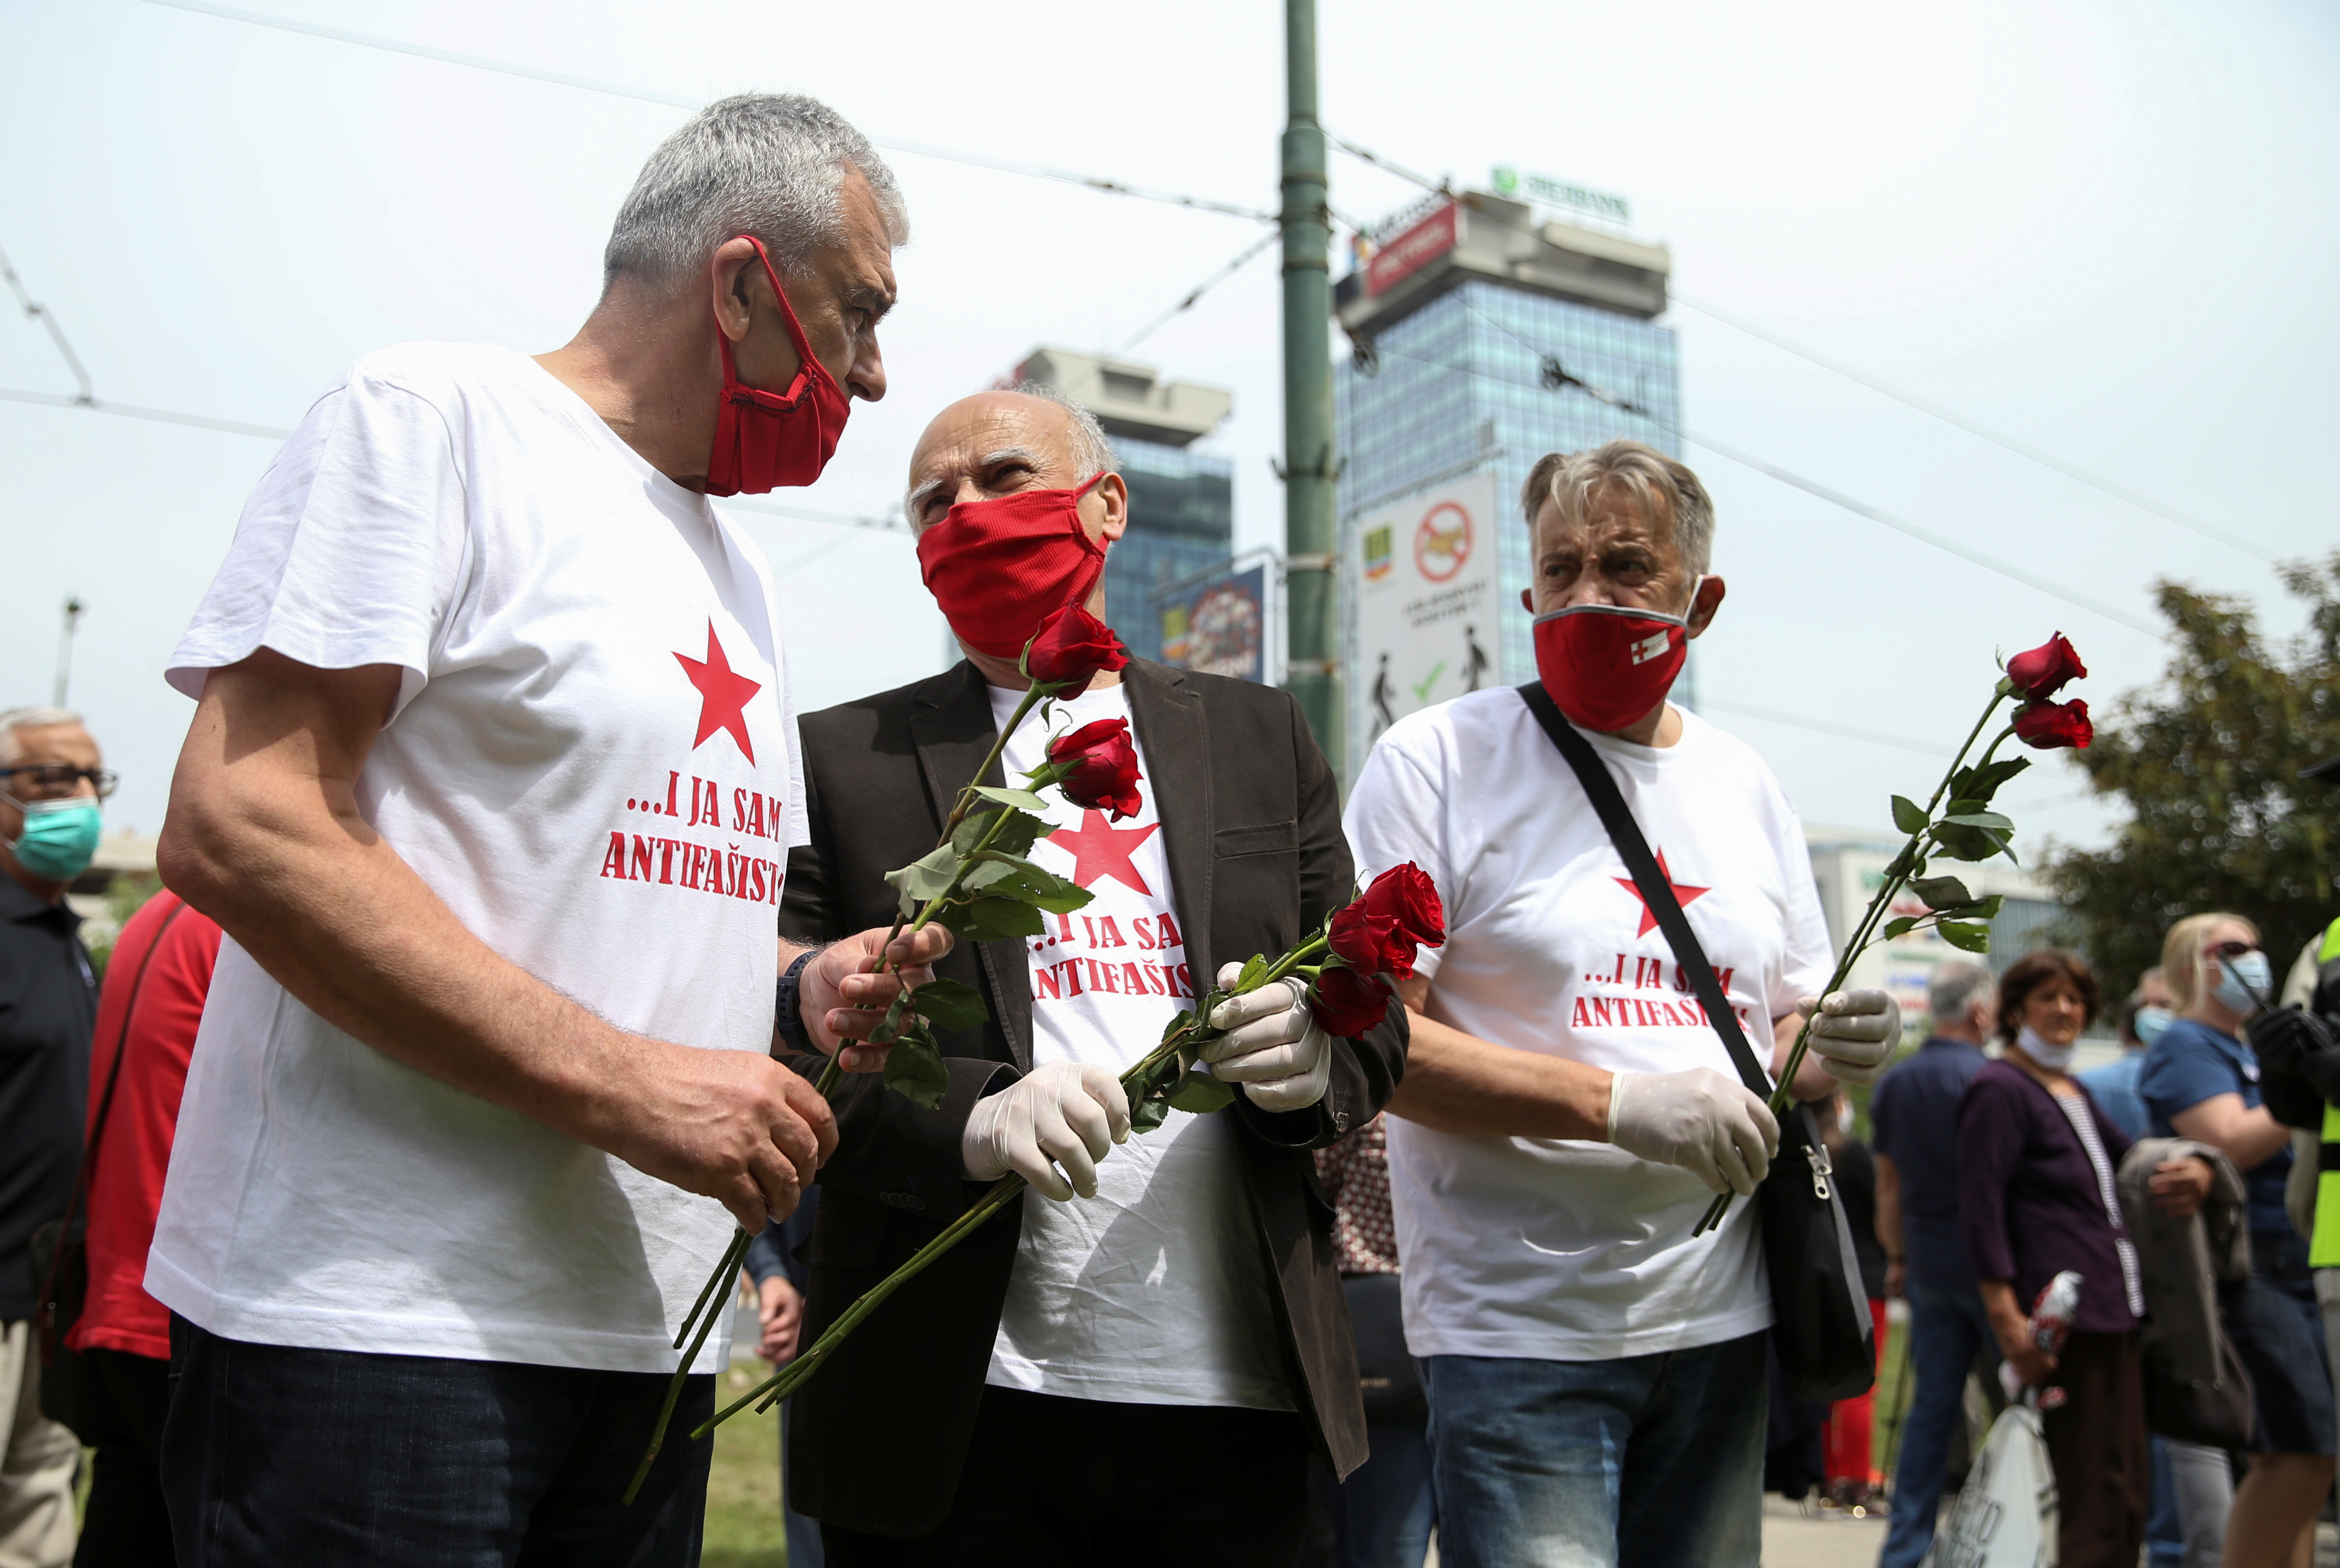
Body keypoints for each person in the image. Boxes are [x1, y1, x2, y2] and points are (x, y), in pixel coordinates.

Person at [147, 94, 950, 1566]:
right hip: (377, 1329)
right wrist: (634, 1085)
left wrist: (788, 989)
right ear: (740, 285)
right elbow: (242, 822)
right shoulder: (431, 420)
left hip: (639, 1341)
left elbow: (606, 897)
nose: (876, 376)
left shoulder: (738, 568)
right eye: (858, 314)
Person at [773, 386, 1407, 1565]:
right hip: (950, 1407)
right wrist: (964, 1116)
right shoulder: (841, 755)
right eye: (931, 499)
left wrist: (1316, 1059)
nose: (964, 509)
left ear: (1104, 504)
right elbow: (782, 1037)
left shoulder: (1261, 734)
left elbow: (1374, 1023)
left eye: (1002, 475)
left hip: (1240, 1402)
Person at [1343, 440, 1901, 1568]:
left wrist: (1835, 1043)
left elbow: (1783, 1026)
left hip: (1721, 1321)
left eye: (1626, 565)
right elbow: (1373, 1044)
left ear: (1701, 599)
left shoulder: (1744, 782)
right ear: (1527, 593)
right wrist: (1619, 1105)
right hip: (1515, 1333)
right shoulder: (1434, 760)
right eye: (1560, 569)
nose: (1587, 595)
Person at [1961, 949, 2211, 1568]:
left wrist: (2200, 1166)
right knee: (2087, 1487)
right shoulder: (1999, 1087)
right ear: (2017, 1010)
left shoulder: (2069, 1087)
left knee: (2123, 1484)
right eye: (2048, 998)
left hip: (2113, 1310)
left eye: (2074, 999)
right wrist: (2004, 1314)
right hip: (2060, 1322)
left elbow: (2130, 1162)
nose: (2064, 1010)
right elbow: (1980, 1204)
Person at [2141, 913, 2337, 1568]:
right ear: (2194, 964)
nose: (2253, 958)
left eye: (2257, 944)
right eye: (2232, 948)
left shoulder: (2251, 1047)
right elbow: (2229, 1140)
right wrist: (2303, 1086)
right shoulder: (2185, 1046)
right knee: (2298, 1455)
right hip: (2249, 1272)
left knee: (2307, 1459)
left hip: (2297, 1264)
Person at [66, 886, 222, 1568]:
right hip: (181, 1307)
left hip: (124, 1289)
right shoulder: (244, 917)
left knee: (129, 1514)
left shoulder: (163, 911)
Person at [0, 706, 106, 1568]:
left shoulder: (65, 935)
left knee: (41, 1506)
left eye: (89, 780)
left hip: (46, 1299)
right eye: (50, 778)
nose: (78, 797)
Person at [2078, 967, 2212, 1568]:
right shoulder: (2191, 1078)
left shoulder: (2091, 1084)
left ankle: (2162, 1543)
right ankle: (2172, 1545)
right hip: (2172, 1261)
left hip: (2124, 1264)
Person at [1870, 957, 1998, 1568]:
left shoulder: (1897, 1081)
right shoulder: (1992, 1080)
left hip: (1927, 1262)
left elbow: (1888, 1183)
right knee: (2019, 1412)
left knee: (1931, 1412)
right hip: (1993, 1268)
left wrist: (1897, 1255)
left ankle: (1904, 1548)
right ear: (1979, 1011)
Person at [1315, 1116, 1433, 1568]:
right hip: (1394, 1326)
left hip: (1385, 1317)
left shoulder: (1368, 1108)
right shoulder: (1369, 1105)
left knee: (1385, 1541)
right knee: (1388, 1541)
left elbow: (1321, 1181)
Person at [1817, 1089, 1888, 1511]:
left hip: (1826, 1277)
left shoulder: (1810, 1155)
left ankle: (1831, 1473)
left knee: (1830, 1383)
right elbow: (1881, 1210)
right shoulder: (1856, 1155)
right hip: (1868, 1275)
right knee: (1863, 1386)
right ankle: (1859, 1478)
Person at [744, 1192, 822, 1568]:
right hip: (797, 1342)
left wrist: (826, 1308)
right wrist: (771, 1275)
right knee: (810, 1515)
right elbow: (749, 1195)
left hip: (890, 1336)